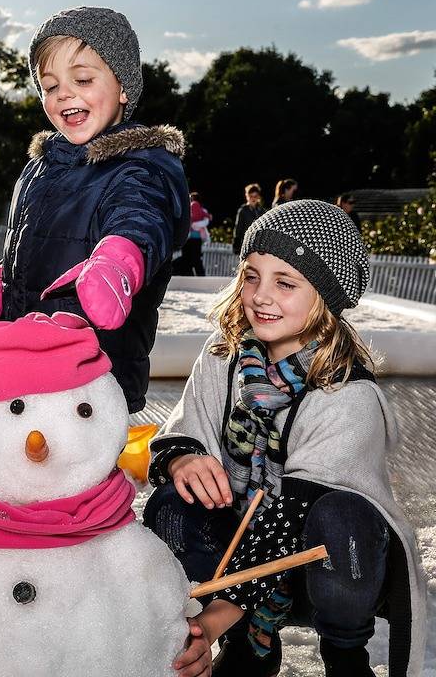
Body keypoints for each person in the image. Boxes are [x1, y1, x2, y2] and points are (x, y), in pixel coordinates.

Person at [144, 200, 425, 677]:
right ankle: (252, 645)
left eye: (285, 282)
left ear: (326, 295)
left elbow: (292, 514)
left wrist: (211, 620)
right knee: (171, 505)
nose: (260, 296)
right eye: (252, 275)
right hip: (241, 554)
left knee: (340, 518)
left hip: (331, 570)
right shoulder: (223, 359)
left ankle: (345, 654)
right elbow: (184, 430)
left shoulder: (350, 395)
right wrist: (184, 459)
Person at [0, 6, 190, 414]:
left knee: (86, 477)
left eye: (82, 79)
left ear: (123, 88)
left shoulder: (141, 166)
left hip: (92, 378)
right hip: (27, 368)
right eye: (49, 86)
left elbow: (141, 221)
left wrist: (117, 265)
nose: (63, 93)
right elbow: (31, 249)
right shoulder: (39, 169)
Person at [174, 192, 211, 276]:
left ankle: (200, 276)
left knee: (196, 258)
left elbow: (206, 222)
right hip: (187, 238)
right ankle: (188, 275)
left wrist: (194, 225)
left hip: (197, 238)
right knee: (186, 258)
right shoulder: (187, 210)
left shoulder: (203, 210)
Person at [231, 183, 266, 255]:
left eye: (255, 196)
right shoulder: (243, 210)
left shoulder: (261, 211)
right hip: (245, 242)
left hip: (258, 244)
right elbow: (238, 227)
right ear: (247, 196)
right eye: (251, 196)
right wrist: (236, 242)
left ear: (258, 197)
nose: (253, 198)